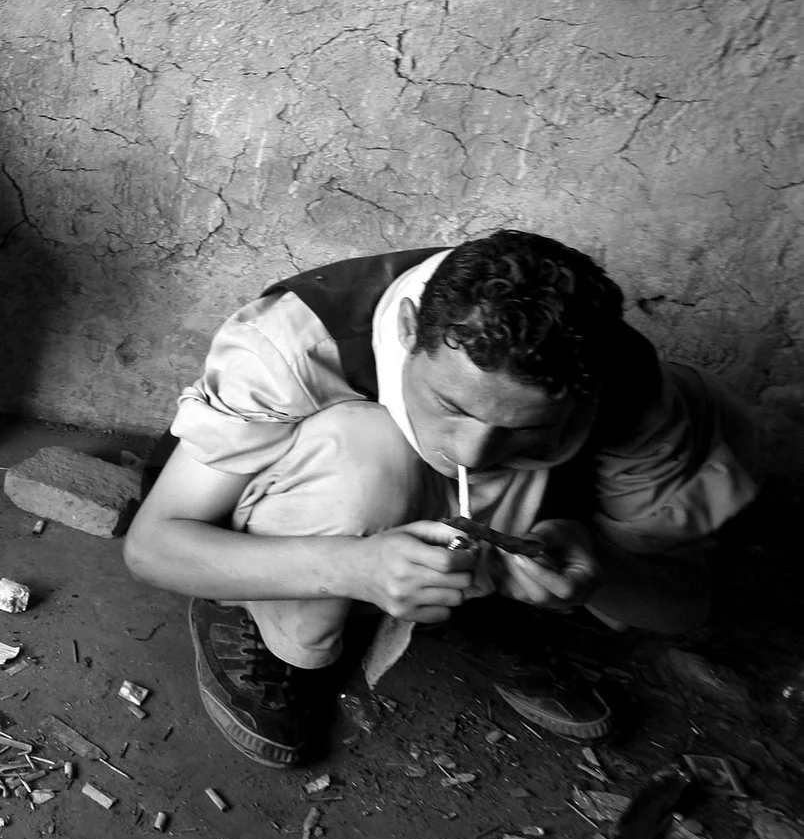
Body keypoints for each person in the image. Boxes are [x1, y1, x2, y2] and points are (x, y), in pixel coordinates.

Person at [125, 230, 759, 767]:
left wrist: (601, 570)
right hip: (302, 523)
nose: (476, 451)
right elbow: (153, 548)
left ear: (588, 394)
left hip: (474, 535)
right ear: (407, 332)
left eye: (526, 428)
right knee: (364, 448)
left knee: (559, 479)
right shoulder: (293, 342)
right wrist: (354, 566)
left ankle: (472, 602)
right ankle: (254, 617)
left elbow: (682, 604)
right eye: (451, 405)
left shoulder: (631, 395)